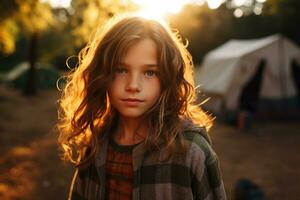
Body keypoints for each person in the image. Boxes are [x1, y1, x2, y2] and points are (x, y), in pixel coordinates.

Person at [57, 15, 227, 200]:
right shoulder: (96, 143)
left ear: (168, 78)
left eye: (150, 72)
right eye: (121, 70)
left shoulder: (191, 151)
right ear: (102, 74)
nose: (133, 85)